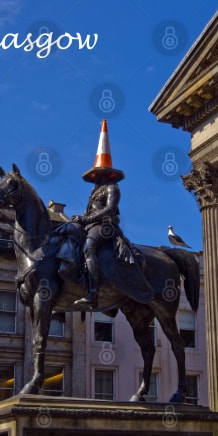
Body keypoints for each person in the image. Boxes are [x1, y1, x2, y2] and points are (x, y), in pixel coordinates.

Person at [71, 120, 125, 308]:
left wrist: (85, 219)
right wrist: (79, 219)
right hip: (89, 224)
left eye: (98, 174)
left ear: (107, 173)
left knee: (88, 248)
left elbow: (109, 210)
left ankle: (93, 292)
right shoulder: (95, 191)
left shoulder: (112, 188)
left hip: (105, 226)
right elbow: (89, 211)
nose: (96, 177)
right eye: (95, 175)